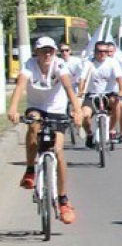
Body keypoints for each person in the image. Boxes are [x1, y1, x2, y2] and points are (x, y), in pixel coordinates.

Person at [7, 36, 82, 224]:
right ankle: (31, 170)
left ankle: (63, 200)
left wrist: (77, 110)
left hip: (57, 109)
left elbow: (67, 86)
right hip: (36, 107)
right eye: (43, 51)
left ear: (55, 52)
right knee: (32, 124)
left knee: (58, 151)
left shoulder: (59, 65)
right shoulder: (29, 65)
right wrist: (13, 109)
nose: (47, 54)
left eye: (50, 50)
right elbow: (20, 86)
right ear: (36, 52)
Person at [79, 40, 122, 148]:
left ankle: (112, 130)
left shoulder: (112, 62)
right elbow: (82, 78)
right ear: (95, 52)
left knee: (116, 103)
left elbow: (119, 77)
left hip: (108, 94)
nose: (102, 54)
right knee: (84, 115)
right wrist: (81, 90)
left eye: (105, 51)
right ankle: (90, 134)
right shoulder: (89, 63)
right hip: (92, 95)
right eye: (100, 51)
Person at [107, 41, 122, 143]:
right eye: (107, 51)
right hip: (106, 91)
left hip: (119, 88)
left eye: (111, 51)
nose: (108, 54)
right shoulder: (99, 60)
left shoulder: (118, 59)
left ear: (115, 51)